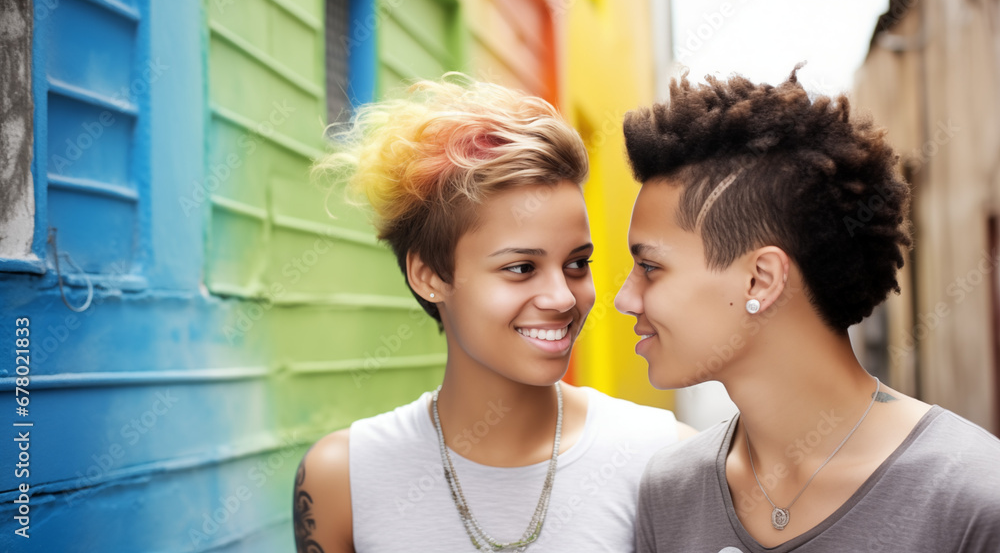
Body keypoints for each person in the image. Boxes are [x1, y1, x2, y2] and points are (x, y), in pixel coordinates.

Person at [294, 75, 696, 553]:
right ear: (429, 275)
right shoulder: (342, 480)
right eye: (521, 268)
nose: (563, 298)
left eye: (576, 264)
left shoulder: (666, 459)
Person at [614, 66, 1000, 553]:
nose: (624, 299)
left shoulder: (972, 501)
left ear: (762, 279)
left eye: (649, 267)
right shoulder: (670, 495)